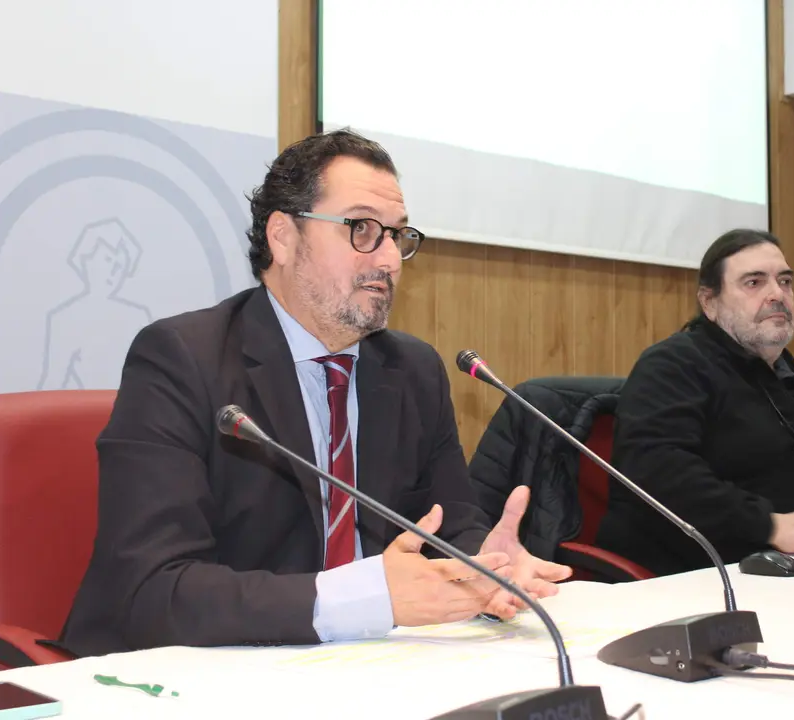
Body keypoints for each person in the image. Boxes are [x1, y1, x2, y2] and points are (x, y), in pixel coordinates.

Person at [60, 129, 570, 657]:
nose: (390, 260)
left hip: (357, 667)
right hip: (193, 674)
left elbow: (452, 523)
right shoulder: (181, 360)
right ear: (282, 236)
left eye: (398, 235)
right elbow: (155, 591)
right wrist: (365, 599)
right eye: (363, 229)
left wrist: (485, 563)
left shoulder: (413, 370)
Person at [596, 229, 794, 576]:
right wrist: (771, 526)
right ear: (709, 302)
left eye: (785, 281)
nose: (777, 294)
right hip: (699, 578)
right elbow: (657, 472)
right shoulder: (672, 366)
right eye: (754, 283)